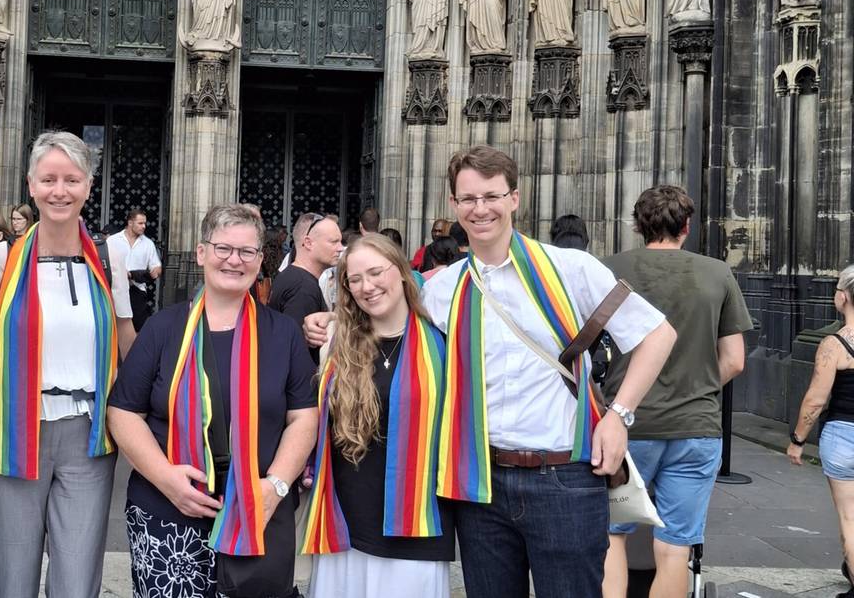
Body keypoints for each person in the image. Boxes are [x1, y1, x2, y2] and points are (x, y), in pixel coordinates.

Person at [304, 145, 676, 598]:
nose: (480, 209)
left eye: (491, 196)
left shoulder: (570, 268)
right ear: (454, 205)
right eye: (468, 199)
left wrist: (619, 416)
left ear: (514, 198)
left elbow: (658, 334)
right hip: (480, 484)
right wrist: (330, 320)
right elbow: (388, 316)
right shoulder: (443, 289)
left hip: (563, 477)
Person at [107, 203, 318, 598]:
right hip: (167, 513)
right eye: (223, 248)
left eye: (246, 251)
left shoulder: (283, 333)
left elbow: (304, 417)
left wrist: (275, 486)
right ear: (201, 253)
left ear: (260, 260)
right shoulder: (163, 328)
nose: (234, 260)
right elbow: (123, 412)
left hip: (258, 512)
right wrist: (166, 480)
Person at [0, 131, 137, 598]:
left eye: (71, 179)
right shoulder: (2, 257)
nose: (59, 191)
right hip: (16, 430)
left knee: (77, 578)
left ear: (88, 186)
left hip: (88, 435)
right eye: (48, 179)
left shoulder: (110, 256)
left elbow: (127, 337)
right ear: (31, 185)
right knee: (11, 575)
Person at [600, 185, 753, 598]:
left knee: (612, 535)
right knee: (674, 545)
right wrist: (696, 387)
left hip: (626, 425)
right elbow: (735, 360)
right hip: (696, 425)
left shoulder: (609, 269)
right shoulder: (717, 273)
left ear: (638, 225)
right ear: (687, 225)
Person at [302, 233, 456, 598]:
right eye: (354, 280)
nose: (366, 287)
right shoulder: (336, 342)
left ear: (401, 271)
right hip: (344, 526)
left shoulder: (444, 338)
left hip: (416, 528)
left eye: (375, 273)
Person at [788, 265, 854, 598]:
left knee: (849, 518)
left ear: (844, 297)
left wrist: (797, 440)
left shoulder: (834, 344)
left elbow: (815, 399)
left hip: (843, 436)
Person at [270, 212, 342, 362]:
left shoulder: (293, 276)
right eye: (334, 242)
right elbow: (295, 352)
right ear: (308, 243)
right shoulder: (302, 288)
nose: (340, 248)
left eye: (340, 242)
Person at [108, 208, 163, 332]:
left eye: (145, 223)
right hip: (115, 290)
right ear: (130, 223)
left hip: (137, 291)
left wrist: (156, 270)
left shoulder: (148, 244)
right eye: (140, 223)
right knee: (114, 327)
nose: (144, 226)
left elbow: (156, 267)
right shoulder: (112, 241)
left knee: (138, 329)